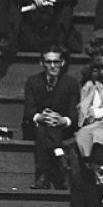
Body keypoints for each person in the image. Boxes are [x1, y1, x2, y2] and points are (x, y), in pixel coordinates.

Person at [23, 47, 79, 190]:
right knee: (43, 127)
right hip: (37, 125)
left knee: (47, 129)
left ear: (62, 63)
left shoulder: (71, 83)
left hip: (61, 127)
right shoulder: (33, 81)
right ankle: (59, 159)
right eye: (48, 62)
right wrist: (41, 117)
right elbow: (29, 111)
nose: (53, 66)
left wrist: (62, 120)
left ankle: (42, 175)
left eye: (56, 61)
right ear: (41, 63)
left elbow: (73, 112)